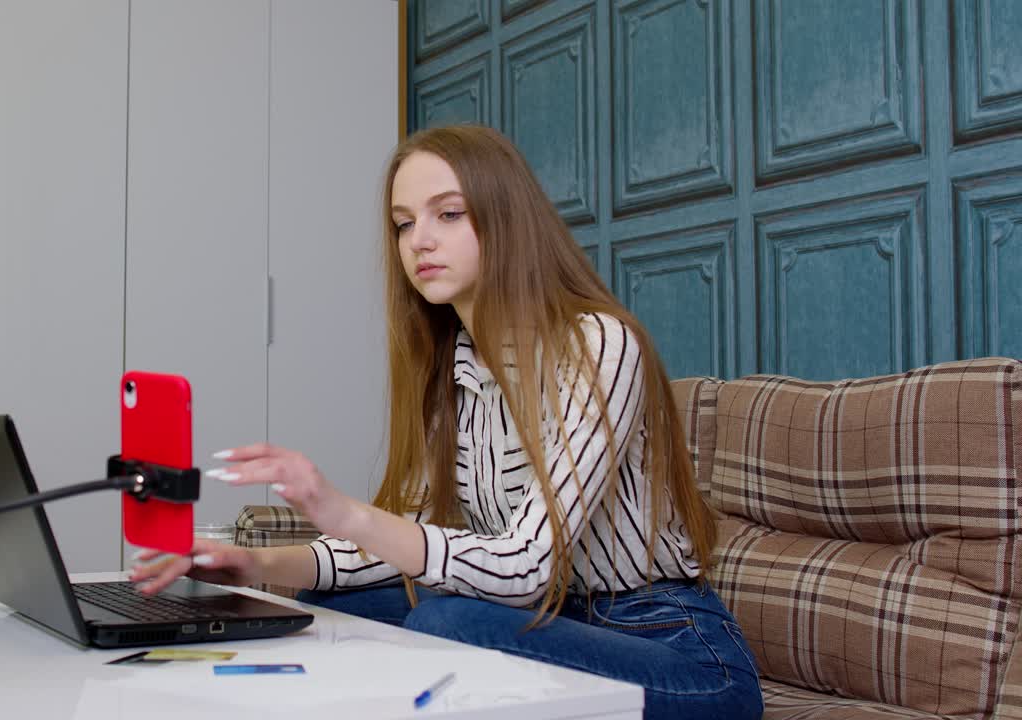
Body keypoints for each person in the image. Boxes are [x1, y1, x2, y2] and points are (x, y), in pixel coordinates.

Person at [130, 125, 763, 719]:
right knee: (336, 602)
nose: (418, 242)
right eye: (404, 224)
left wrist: (344, 510)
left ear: (507, 219)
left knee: (448, 625)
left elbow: (525, 569)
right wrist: (251, 566)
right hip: (550, 619)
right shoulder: (452, 372)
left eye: (448, 214)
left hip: (673, 647)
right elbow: (404, 545)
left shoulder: (598, 346)